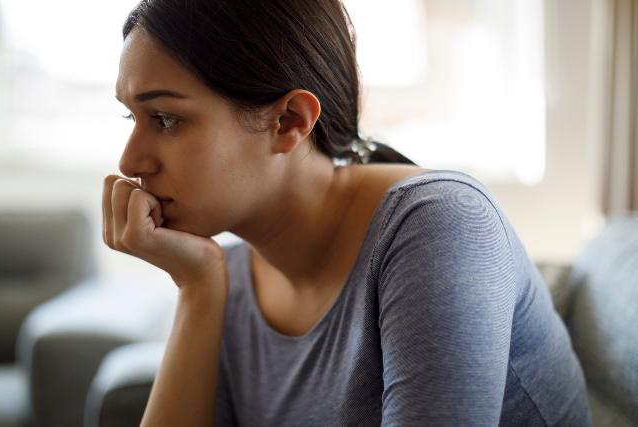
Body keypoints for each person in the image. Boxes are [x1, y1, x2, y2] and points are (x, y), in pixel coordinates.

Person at [102, 0, 591, 425]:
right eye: (131, 116)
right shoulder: (226, 275)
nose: (129, 161)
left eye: (166, 118)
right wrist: (199, 292)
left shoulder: (438, 224)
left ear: (289, 122)